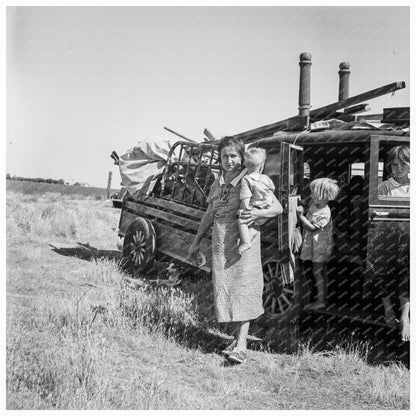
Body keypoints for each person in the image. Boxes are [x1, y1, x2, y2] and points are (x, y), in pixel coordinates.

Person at [187, 136, 283, 364]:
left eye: (233, 156)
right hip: (220, 244)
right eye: (224, 156)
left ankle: (241, 346)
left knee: (243, 290)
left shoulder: (250, 179)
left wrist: (259, 214)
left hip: (244, 244)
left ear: (241, 158)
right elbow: (209, 214)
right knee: (227, 290)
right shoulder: (217, 183)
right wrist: (196, 241)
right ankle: (235, 338)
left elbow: (277, 207)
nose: (229, 160)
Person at [296, 178, 340, 309]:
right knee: (321, 271)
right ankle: (323, 298)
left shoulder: (325, 212)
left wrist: (301, 216)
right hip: (315, 245)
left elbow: (312, 228)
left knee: (317, 272)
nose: (310, 196)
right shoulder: (315, 204)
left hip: (320, 247)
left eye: (313, 193)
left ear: (323, 196)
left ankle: (321, 301)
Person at [237, 147, 275, 254]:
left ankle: (246, 241)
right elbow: (272, 189)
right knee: (255, 225)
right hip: (266, 211)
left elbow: (245, 197)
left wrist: (245, 209)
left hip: (255, 209)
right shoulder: (266, 178)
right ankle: (251, 236)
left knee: (242, 221)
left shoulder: (247, 179)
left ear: (246, 165)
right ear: (262, 166)